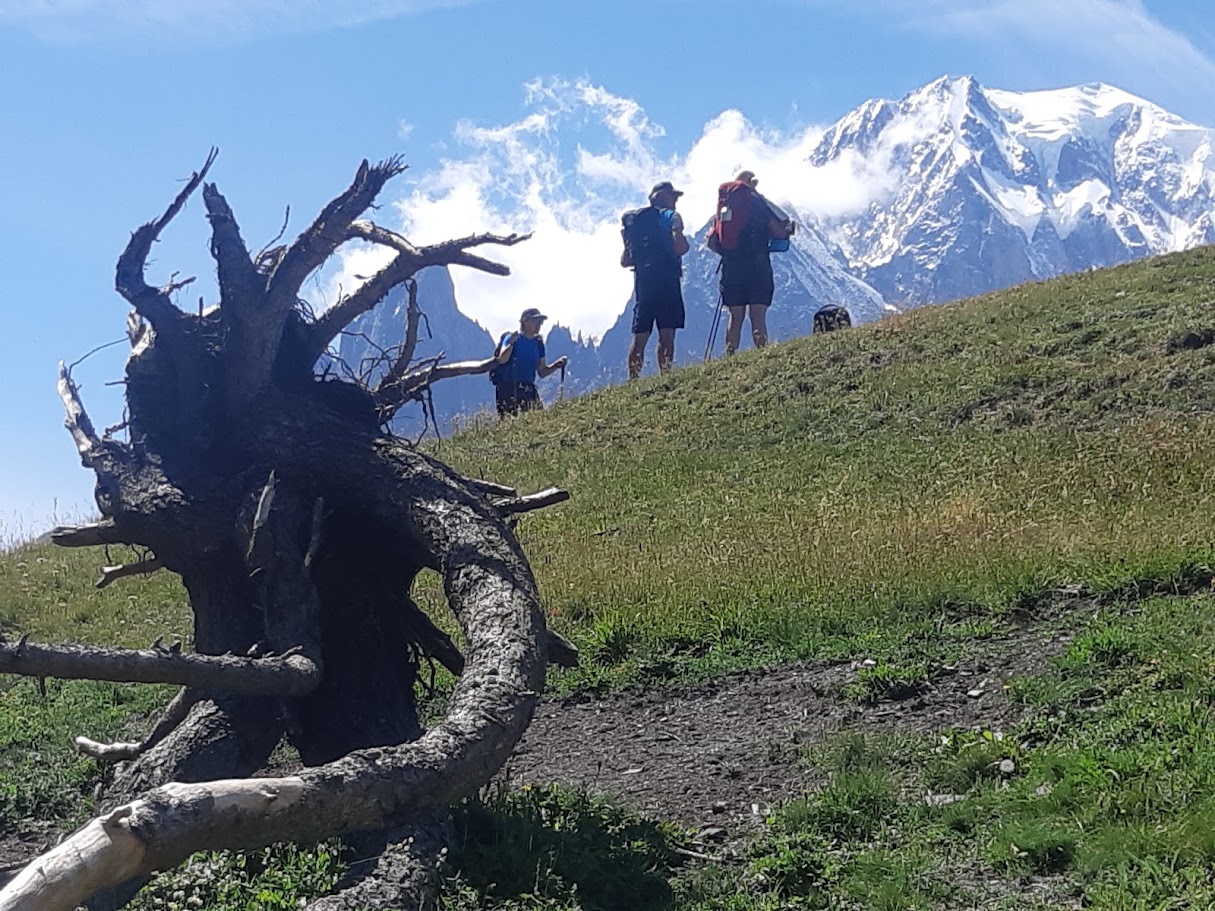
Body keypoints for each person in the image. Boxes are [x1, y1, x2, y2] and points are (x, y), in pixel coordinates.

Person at [712, 170, 795, 355]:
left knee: (735, 317)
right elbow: (778, 232)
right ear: (750, 183)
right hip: (758, 266)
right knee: (757, 316)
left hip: (731, 268)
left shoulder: (724, 209)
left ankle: (730, 357)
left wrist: (729, 254)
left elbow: (712, 241)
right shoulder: (756, 203)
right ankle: (763, 354)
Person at [620, 180, 690, 378]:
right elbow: (681, 248)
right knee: (667, 332)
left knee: (640, 334)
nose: (675, 200)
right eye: (672, 196)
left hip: (643, 283)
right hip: (667, 280)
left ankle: (633, 380)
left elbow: (625, 261)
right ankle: (665, 376)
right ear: (660, 196)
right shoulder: (671, 216)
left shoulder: (635, 222)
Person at [491, 307, 568, 417]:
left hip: (528, 389)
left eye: (540, 322)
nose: (539, 324)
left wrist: (556, 365)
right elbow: (502, 359)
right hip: (508, 389)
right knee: (510, 422)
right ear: (525, 321)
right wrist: (511, 344)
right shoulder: (511, 338)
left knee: (538, 419)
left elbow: (542, 372)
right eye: (536, 321)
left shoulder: (538, 343)